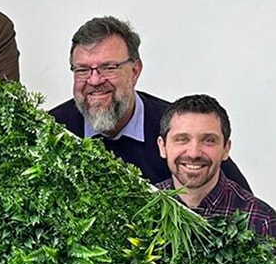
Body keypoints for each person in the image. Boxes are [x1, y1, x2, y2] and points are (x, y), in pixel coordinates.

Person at [48, 16, 251, 189]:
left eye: (108, 67)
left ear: (135, 71)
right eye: (82, 70)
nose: (94, 80)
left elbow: (241, 205)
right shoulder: (50, 129)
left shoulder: (177, 128)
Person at [157, 94, 275, 238]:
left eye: (208, 140)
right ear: (162, 146)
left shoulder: (261, 220)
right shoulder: (141, 207)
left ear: (226, 149)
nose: (194, 153)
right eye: (182, 139)